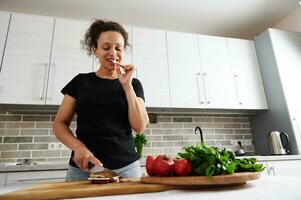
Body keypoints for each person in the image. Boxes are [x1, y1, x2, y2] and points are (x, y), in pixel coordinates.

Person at [53, 19, 149, 181]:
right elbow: (59, 124)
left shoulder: (133, 84)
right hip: (84, 167)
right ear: (95, 50)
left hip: (126, 169)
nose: (113, 52)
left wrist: (126, 86)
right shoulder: (80, 82)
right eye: (106, 47)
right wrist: (78, 148)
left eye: (118, 48)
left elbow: (139, 126)